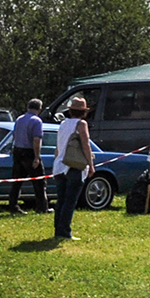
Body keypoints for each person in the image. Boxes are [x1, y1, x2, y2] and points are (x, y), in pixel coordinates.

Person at [53, 95, 94, 241]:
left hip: (59, 165)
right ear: (84, 112)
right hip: (74, 166)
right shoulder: (81, 124)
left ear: (70, 111)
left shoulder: (63, 124)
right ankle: (65, 232)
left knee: (61, 200)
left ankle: (58, 229)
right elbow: (85, 144)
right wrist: (90, 164)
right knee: (70, 201)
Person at [8, 98, 48, 214]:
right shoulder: (37, 121)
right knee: (39, 181)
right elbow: (36, 140)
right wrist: (36, 157)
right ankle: (42, 207)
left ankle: (13, 206)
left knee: (17, 181)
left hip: (18, 151)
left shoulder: (19, 119)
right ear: (39, 109)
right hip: (29, 152)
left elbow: (15, 135)